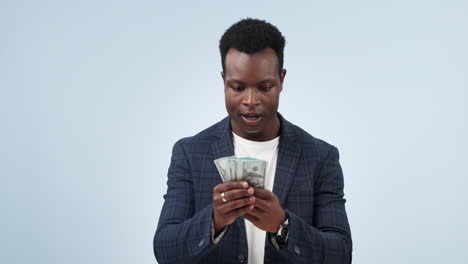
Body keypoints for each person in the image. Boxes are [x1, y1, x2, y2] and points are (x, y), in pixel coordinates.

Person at [153, 18, 352, 264]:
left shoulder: (321, 157)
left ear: (282, 80)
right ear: (223, 80)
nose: (250, 100)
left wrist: (283, 225)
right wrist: (214, 220)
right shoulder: (190, 152)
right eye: (237, 87)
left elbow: (340, 255)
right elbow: (165, 251)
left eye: (264, 87)